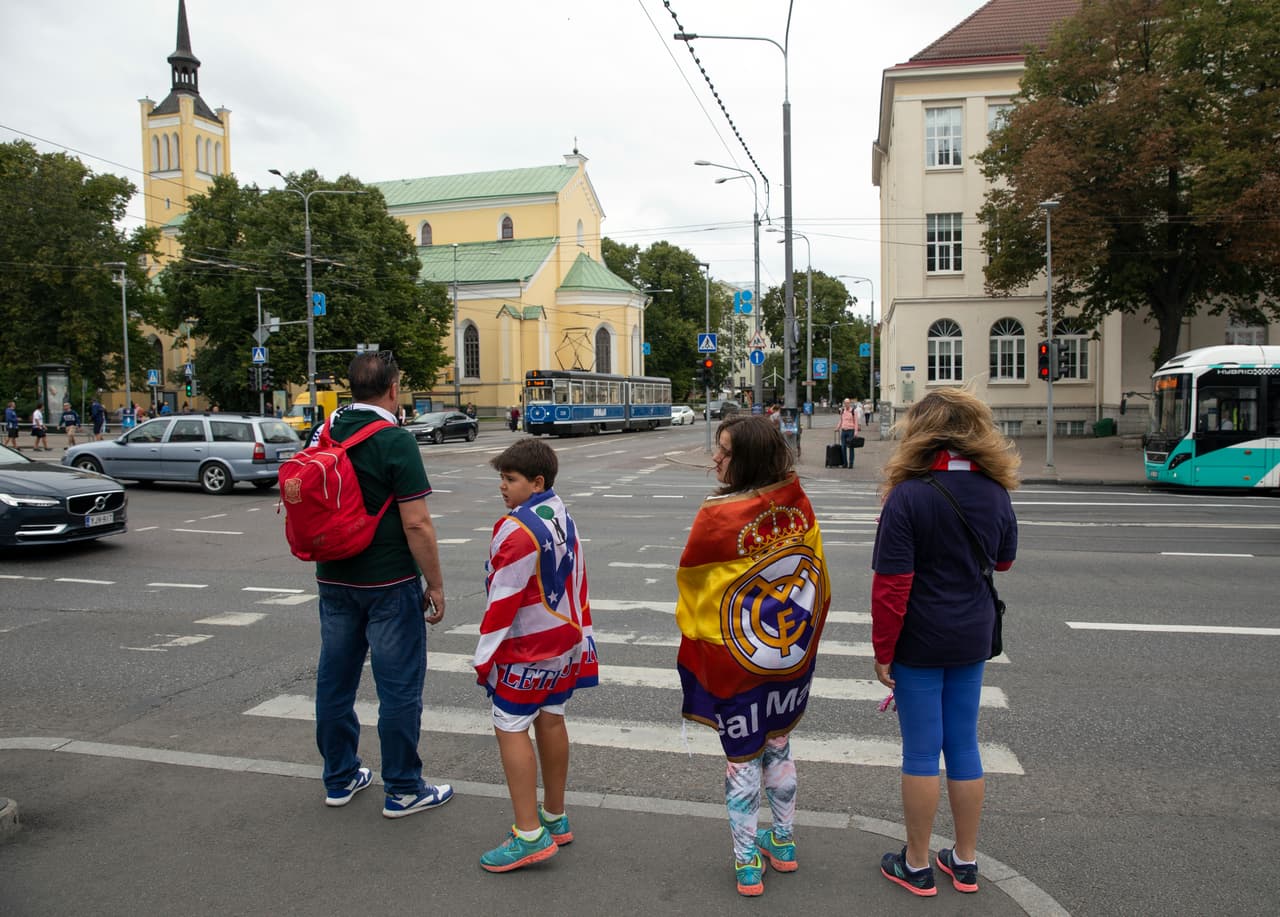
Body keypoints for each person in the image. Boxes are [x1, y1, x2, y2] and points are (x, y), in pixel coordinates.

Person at [870, 388, 1019, 897]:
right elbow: (1003, 562)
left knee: (919, 754)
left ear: (920, 431)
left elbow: (892, 585)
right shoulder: (996, 490)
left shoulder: (908, 495)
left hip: (919, 637)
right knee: (963, 745)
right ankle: (965, 859)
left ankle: (915, 864)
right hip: (972, 634)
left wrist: (883, 650)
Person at [675, 414, 830, 896]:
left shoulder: (716, 516)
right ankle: (781, 842)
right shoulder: (797, 501)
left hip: (738, 660)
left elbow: (695, 588)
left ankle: (746, 863)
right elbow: (816, 573)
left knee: (742, 757)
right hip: (786, 657)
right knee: (779, 741)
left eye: (724, 451)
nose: (716, 458)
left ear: (746, 460)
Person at [311, 351, 453, 818]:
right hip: (389, 582)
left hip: (333, 577)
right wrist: (434, 583)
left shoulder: (324, 432)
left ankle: (339, 777)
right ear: (393, 388)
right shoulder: (395, 440)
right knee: (398, 688)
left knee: (335, 681)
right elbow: (417, 524)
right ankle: (404, 788)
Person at [472, 437, 597, 872]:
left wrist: (484, 656)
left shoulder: (515, 528)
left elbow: (502, 598)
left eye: (510, 479)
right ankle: (554, 816)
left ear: (536, 481)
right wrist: (585, 634)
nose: (503, 488)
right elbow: (578, 576)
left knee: (509, 726)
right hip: (564, 640)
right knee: (552, 715)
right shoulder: (561, 513)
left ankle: (528, 834)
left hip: (527, 646)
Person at [835, 398, 861, 468]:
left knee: (851, 447)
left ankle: (851, 463)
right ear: (844, 403)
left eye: (848, 403)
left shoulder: (853, 411)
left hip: (851, 431)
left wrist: (856, 432)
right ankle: (845, 463)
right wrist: (837, 427)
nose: (846, 404)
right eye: (845, 403)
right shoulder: (842, 411)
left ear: (850, 403)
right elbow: (841, 420)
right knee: (843, 447)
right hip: (843, 431)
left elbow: (856, 422)